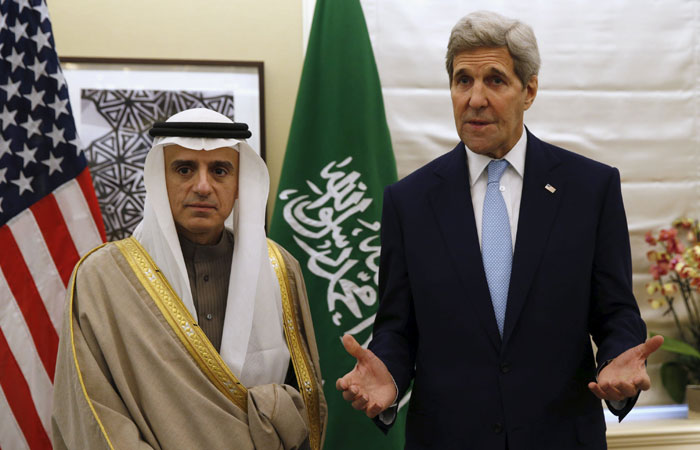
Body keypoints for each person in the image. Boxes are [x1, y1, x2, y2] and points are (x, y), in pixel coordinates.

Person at [336, 10, 662, 450]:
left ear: (528, 90)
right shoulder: (408, 202)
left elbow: (616, 312)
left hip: (561, 437)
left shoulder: (590, 188)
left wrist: (619, 357)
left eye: (495, 80)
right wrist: (389, 375)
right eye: (462, 80)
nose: (475, 98)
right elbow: (398, 326)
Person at [52, 108, 327, 450]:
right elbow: (91, 407)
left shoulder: (278, 268)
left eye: (220, 170)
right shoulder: (103, 277)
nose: (202, 186)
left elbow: (304, 391)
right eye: (184, 169)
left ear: (241, 183)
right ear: (159, 180)